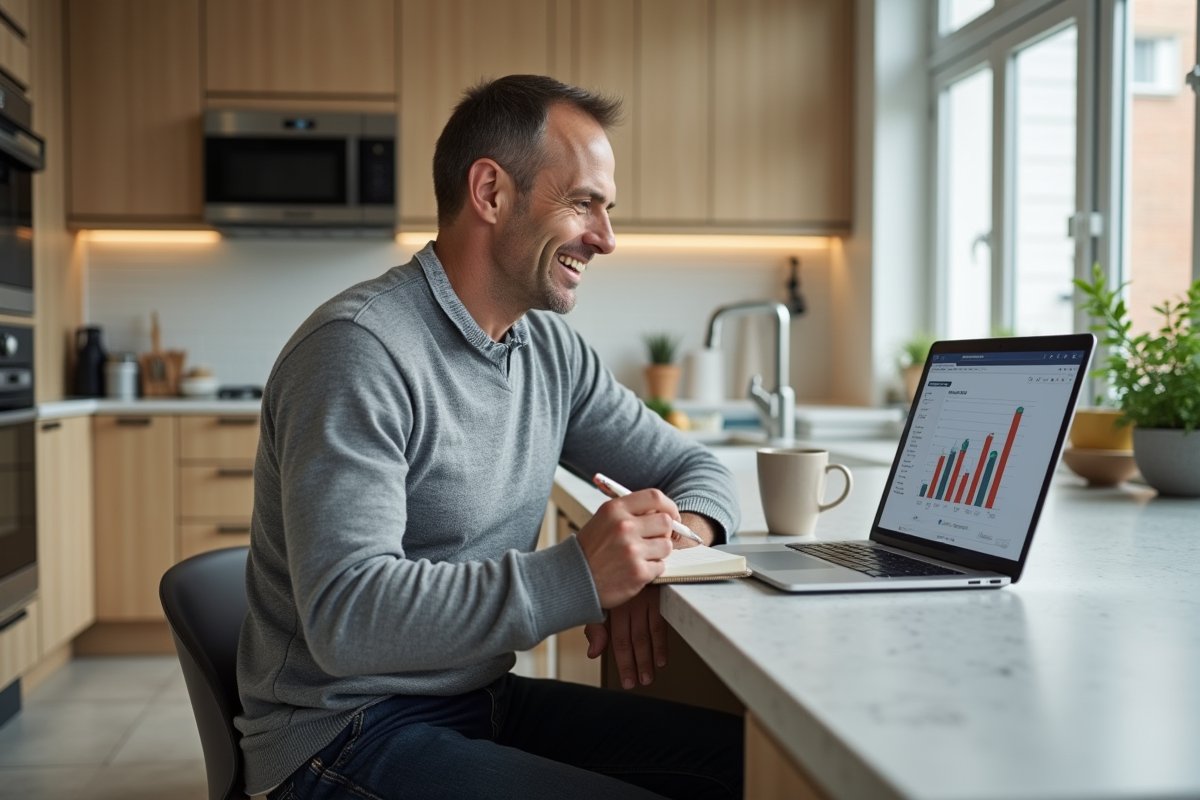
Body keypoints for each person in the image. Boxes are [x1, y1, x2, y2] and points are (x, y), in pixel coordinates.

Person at [235, 74, 744, 799]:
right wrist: (582, 576)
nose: (605, 237)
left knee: (753, 767)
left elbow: (693, 465)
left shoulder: (548, 353)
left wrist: (658, 550)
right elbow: (347, 616)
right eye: (583, 203)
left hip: (481, 704)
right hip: (345, 730)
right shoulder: (359, 350)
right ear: (491, 192)